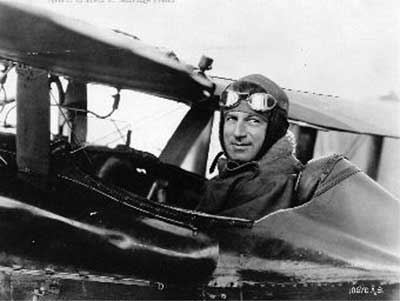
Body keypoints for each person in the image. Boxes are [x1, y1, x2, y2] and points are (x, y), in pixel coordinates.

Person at [196, 74, 304, 220]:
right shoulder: (239, 174)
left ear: (275, 129)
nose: (238, 132)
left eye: (253, 121)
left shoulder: (273, 184)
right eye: (231, 119)